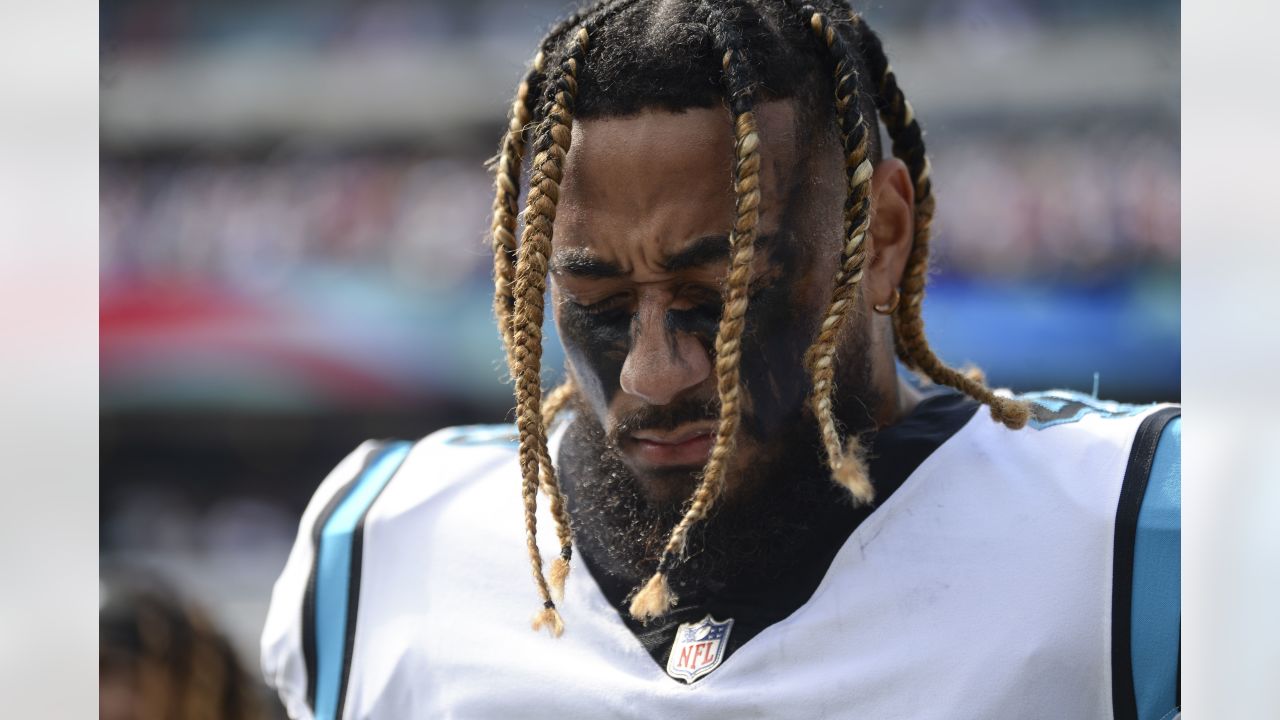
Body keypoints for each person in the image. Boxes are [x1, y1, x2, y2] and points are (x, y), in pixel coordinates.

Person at [261, 1, 1180, 718]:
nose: (654, 374)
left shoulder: (1133, 533)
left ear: (885, 239)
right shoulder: (379, 546)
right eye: (601, 307)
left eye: (721, 301)